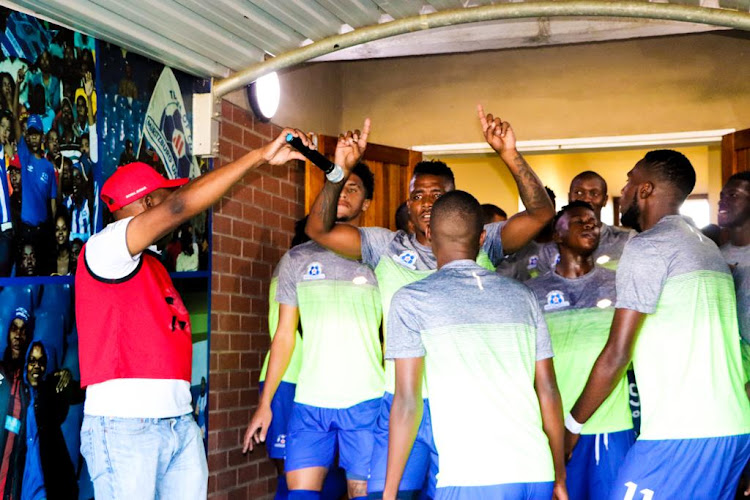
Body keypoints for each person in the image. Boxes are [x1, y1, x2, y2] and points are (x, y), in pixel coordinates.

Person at [305, 107, 555, 498]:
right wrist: (339, 170)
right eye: (416, 195)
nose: (424, 203)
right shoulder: (384, 246)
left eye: (435, 195)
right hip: (400, 402)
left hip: (461, 408)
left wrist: (509, 154)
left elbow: (541, 213)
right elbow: (317, 228)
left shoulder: (481, 240)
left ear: (453, 200)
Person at [75, 125, 309, 499]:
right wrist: (259, 156)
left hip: (177, 424)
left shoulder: (151, 264)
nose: (176, 204)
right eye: (167, 196)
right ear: (150, 204)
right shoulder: (104, 251)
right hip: (124, 428)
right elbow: (182, 206)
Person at [564, 150, 750, 498]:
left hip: (684, 433)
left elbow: (617, 354)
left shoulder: (649, 247)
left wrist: (572, 425)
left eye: (629, 180)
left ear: (645, 189)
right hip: (733, 427)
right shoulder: (708, 247)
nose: (626, 188)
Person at [383, 190, 567, 500]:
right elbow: (548, 390)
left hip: (472, 477)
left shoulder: (412, 300)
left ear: (429, 233)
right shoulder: (522, 296)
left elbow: (406, 403)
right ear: (482, 238)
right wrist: (559, 477)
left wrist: (390, 492)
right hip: (536, 471)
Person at [244, 162, 383, 500]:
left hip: (367, 400)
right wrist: (265, 404)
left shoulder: (380, 256)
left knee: (362, 493)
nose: (345, 192)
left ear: (366, 203)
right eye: (339, 185)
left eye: (354, 188)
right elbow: (285, 336)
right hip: (309, 402)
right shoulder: (295, 259)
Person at [526, 202, 634, 499]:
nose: (590, 225)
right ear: (557, 235)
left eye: (593, 221)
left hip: (610, 425)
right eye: (578, 221)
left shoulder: (620, 286)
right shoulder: (531, 293)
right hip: (550, 428)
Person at [537, 171, 634, 274]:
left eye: (594, 193)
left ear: (605, 200)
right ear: (570, 197)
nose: (586, 199)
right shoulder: (550, 249)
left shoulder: (626, 241)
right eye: (578, 192)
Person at [24, 339, 84, 500]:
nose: (37, 365)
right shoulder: (17, 395)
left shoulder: (51, 387)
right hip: (23, 484)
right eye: (32, 361)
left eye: (41, 361)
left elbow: (80, 393)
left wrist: (66, 377)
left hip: (52, 485)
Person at [718, 171, 750, 382]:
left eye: (733, 195)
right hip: (730, 369)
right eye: (722, 196)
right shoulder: (715, 256)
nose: (723, 201)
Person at [0, 308, 32, 499]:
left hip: (13, 475)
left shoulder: (30, 381)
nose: (18, 335)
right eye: (14, 329)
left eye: (23, 330)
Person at [14, 114, 56, 249]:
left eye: (36, 134)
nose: (33, 137)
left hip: (43, 230)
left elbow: (53, 201)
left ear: (42, 137)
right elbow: (15, 119)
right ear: (27, 136)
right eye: (31, 134)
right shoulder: (25, 157)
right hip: (26, 230)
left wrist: (53, 228)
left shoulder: (49, 167)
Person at [496, 187, 556, 281]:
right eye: (538, 209)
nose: (543, 215)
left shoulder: (565, 244)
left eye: (547, 209)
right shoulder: (516, 245)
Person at [0, 111, 13, 276]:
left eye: (8, 129)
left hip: (6, 226)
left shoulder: (6, 155)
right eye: (2, 126)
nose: (5, 131)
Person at [52, 207, 72, 275]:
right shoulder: (50, 260)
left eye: (64, 229)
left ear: (69, 231)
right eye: (57, 229)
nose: (60, 232)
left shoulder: (74, 258)